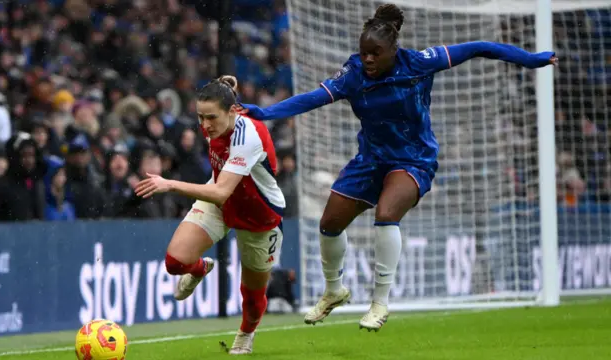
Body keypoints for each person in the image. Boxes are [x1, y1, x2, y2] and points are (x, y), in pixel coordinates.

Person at [235, 4, 558, 331]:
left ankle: (380, 302)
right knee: (330, 222)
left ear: (393, 50)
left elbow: (480, 48)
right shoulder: (354, 74)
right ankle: (334, 290)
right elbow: (311, 98)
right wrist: (264, 113)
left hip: (413, 158)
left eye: (376, 53)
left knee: (387, 213)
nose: (369, 60)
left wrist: (529, 59)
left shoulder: (418, 63)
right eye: (364, 53)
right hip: (371, 159)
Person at [134, 76, 285, 354]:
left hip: (258, 215)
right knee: (174, 262)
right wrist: (225, 86)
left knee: (252, 297)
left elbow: (222, 191)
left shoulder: (248, 134)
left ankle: (246, 333)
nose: (204, 125)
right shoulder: (219, 118)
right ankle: (200, 268)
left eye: (211, 118)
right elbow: (220, 194)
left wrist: (169, 184)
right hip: (218, 200)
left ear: (232, 111)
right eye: (200, 117)